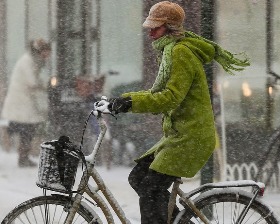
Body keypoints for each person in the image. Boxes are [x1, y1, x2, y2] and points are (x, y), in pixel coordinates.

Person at [105, 1, 250, 223]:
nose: (151, 32)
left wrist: (129, 103)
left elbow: (170, 97)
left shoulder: (181, 53)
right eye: (150, 27)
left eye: (156, 27)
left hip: (191, 137)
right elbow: (160, 94)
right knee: (139, 177)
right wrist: (125, 100)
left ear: (170, 28)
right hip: (178, 135)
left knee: (151, 188)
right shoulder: (169, 50)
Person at [1, 38, 51, 167]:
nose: (48, 56)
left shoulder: (33, 61)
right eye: (46, 52)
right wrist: (46, 85)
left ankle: (23, 157)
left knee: (25, 129)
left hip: (24, 103)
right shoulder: (28, 61)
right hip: (21, 102)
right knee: (26, 129)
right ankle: (23, 158)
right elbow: (32, 82)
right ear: (40, 51)